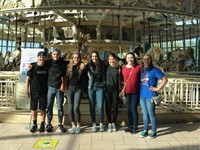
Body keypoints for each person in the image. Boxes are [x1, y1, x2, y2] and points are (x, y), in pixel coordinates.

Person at [140, 54, 168, 138]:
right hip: (142, 95)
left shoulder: (155, 70)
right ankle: (145, 129)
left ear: (151, 60)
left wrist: (157, 88)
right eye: (144, 59)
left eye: (148, 59)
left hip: (150, 96)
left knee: (151, 113)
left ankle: (153, 130)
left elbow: (164, 79)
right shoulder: (142, 70)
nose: (146, 61)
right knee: (144, 113)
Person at [45, 48, 68, 133]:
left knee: (60, 107)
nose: (55, 56)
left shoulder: (62, 62)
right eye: (54, 54)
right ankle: (49, 124)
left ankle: (60, 124)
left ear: (59, 55)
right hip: (50, 87)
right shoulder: (49, 63)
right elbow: (39, 63)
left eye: (57, 54)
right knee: (49, 106)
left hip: (59, 88)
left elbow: (72, 62)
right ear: (52, 55)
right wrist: (30, 66)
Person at [25, 51, 48, 133]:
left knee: (43, 109)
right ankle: (34, 124)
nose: (41, 58)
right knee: (33, 109)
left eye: (43, 57)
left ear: (45, 58)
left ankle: (42, 124)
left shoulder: (47, 67)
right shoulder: (32, 67)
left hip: (43, 92)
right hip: (34, 92)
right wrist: (27, 90)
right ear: (37, 58)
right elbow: (27, 79)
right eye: (40, 57)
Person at [66, 52, 86, 134]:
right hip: (70, 88)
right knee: (70, 106)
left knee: (76, 107)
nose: (76, 59)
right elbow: (66, 78)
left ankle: (78, 125)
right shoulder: (68, 67)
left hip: (78, 89)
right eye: (74, 58)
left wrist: (83, 65)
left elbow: (85, 78)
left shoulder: (81, 67)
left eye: (77, 58)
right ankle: (73, 125)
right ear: (72, 58)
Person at [122, 52, 141, 134]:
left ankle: (135, 126)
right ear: (126, 59)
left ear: (134, 58)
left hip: (135, 91)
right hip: (127, 91)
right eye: (128, 58)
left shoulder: (138, 67)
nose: (130, 59)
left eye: (131, 57)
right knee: (129, 109)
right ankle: (130, 125)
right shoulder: (123, 68)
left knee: (133, 109)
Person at [87, 51, 106, 132]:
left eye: (96, 56)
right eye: (93, 56)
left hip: (99, 88)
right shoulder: (88, 66)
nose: (94, 58)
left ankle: (101, 123)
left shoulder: (102, 65)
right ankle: (94, 123)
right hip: (91, 88)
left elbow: (104, 76)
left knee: (100, 106)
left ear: (98, 57)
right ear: (91, 57)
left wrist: (102, 85)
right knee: (92, 106)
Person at [105, 53, 120, 132]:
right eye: (110, 59)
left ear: (115, 60)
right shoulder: (105, 68)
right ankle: (109, 122)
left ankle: (114, 122)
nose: (111, 61)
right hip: (107, 88)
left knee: (115, 106)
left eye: (113, 59)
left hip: (115, 89)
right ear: (108, 60)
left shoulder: (118, 68)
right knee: (108, 106)